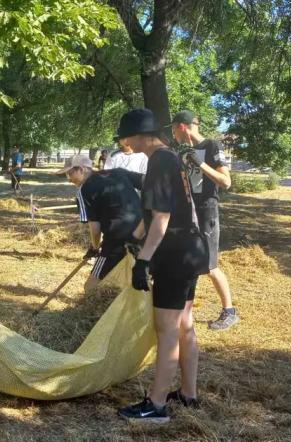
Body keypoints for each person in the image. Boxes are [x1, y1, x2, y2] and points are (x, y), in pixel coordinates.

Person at [116, 109, 205, 423]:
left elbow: (162, 221)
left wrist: (143, 261)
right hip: (193, 249)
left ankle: (156, 406)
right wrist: (133, 236)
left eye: (126, 137)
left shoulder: (157, 162)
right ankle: (189, 394)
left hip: (175, 254)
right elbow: (153, 213)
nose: (124, 143)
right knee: (184, 323)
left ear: (140, 135)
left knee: (166, 329)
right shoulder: (170, 158)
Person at [171, 110, 238, 331]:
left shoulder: (211, 146)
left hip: (206, 210)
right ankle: (183, 307)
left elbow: (226, 182)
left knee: (209, 264)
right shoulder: (183, 150)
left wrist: (200, 163)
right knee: (188, 260)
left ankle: (229, 311)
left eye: (173, 129)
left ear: (182, 126)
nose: (173, 134)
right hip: (187, 211)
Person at [55, 155, 142, 293]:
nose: (69, 178)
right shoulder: (119, 172)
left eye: (69, 173)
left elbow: (95, 228)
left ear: (82, 169)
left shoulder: (84, 191)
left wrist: (95, 248)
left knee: (90, 288)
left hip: (116, 241)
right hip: (143, 233)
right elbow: (149, 182)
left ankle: (93, 308)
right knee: (140, 279)